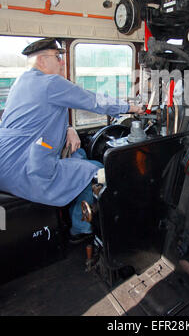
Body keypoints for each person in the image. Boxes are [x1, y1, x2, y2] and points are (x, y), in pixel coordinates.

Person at [0, 38, 144, 243]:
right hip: (23, 169)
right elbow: (93, 100)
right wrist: (131, 108)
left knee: (80, 154)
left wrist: (69, 128)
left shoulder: (21, 82)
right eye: (58, 57)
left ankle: (73, 210)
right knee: (95, 170)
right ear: (42, 60)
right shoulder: (51, 82)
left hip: (5, 161)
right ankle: (81, 228)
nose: (62, 63)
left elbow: (34, 117)